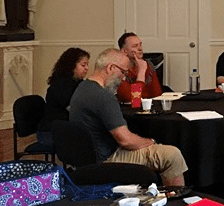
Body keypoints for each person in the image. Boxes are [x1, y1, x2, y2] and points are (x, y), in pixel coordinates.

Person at [69, 48, 187, 186]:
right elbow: (125, 141)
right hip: (106, 160)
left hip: (86, 159)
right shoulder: (103, 97)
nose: (124, 78)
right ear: (110, 68)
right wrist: (151, 141)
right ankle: (176, 200)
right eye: (123, 72)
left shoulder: (83, 87)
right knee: (172, 155)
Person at [39, 48, 90, 143]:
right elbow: (75, 110)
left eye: (87, 65)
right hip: (51, 132)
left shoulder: (78, 82)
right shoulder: (61, 85)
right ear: (71, 65)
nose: (87, 68)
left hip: (65, 127)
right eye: (83, 65)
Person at [115, 32, 163, 104]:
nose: (140, 49)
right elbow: (135, 100)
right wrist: (141, 72)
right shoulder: (118, 69)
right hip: (127, 111)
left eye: (140, 45)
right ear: (125, 51)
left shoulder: (148, 64)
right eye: (135, 46)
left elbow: (157, 94)